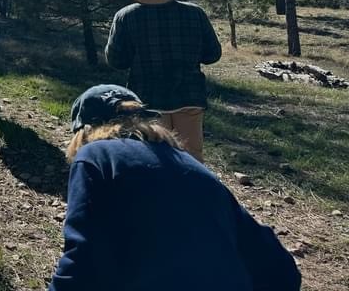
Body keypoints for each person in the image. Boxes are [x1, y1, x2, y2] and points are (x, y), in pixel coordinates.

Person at [48, 84, 300, 291]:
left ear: (83, 131)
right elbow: (281, 268)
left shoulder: (96, 156)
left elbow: (82, 260)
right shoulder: (192, 166)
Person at [105, 0, 222, 162]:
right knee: (192, 158)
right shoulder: (195, 14)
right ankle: (193, 194)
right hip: (189, 96)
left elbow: (116, 61)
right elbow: (212, 55)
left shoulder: (125, 17)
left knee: (153, 158)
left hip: (147, 99)